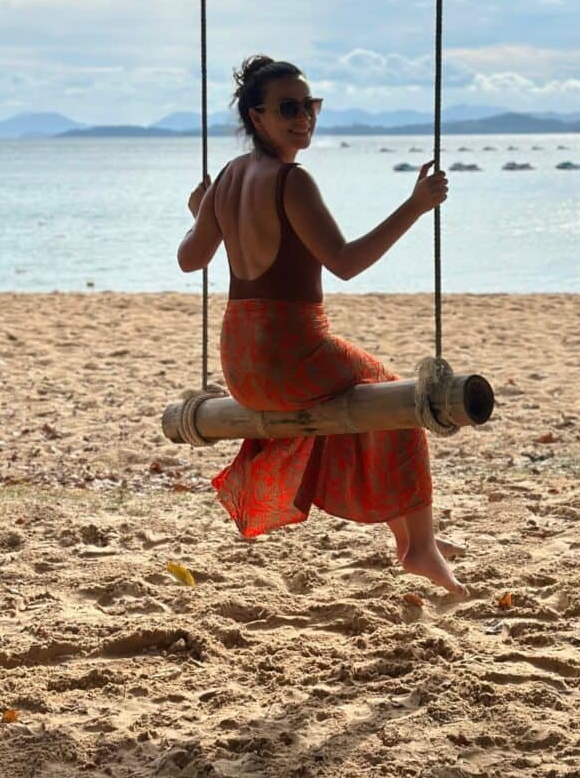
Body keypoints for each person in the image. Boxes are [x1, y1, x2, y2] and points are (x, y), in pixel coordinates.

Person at [177, 55, 468, 598]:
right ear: (256, 116)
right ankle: (420, 546)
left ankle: (415, 538)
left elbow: (189, 259)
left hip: (240, 362)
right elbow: (346, 262)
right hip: (289, 355)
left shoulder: (228, 178)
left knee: (377, 396)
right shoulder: (293, 180)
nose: (303, 118)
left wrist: (204, 214)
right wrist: (415, 205)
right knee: (396, 397)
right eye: (288, 108)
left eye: (310, 106)